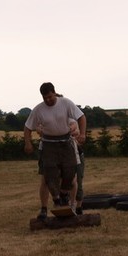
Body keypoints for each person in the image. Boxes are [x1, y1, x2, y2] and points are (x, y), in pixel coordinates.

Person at [24, 82, 86, 220]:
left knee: (70, 170)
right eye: (45, 98)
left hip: (65, 142)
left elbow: (81, 117)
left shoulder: (66, 103)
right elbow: (27, 127)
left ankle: (63, 194)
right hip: (49, 144)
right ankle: (55, 200)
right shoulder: (38, 109)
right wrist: (28, 143)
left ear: (54, 93)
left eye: (50, 97)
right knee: (49, 174)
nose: (48, 100)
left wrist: (82, 134)